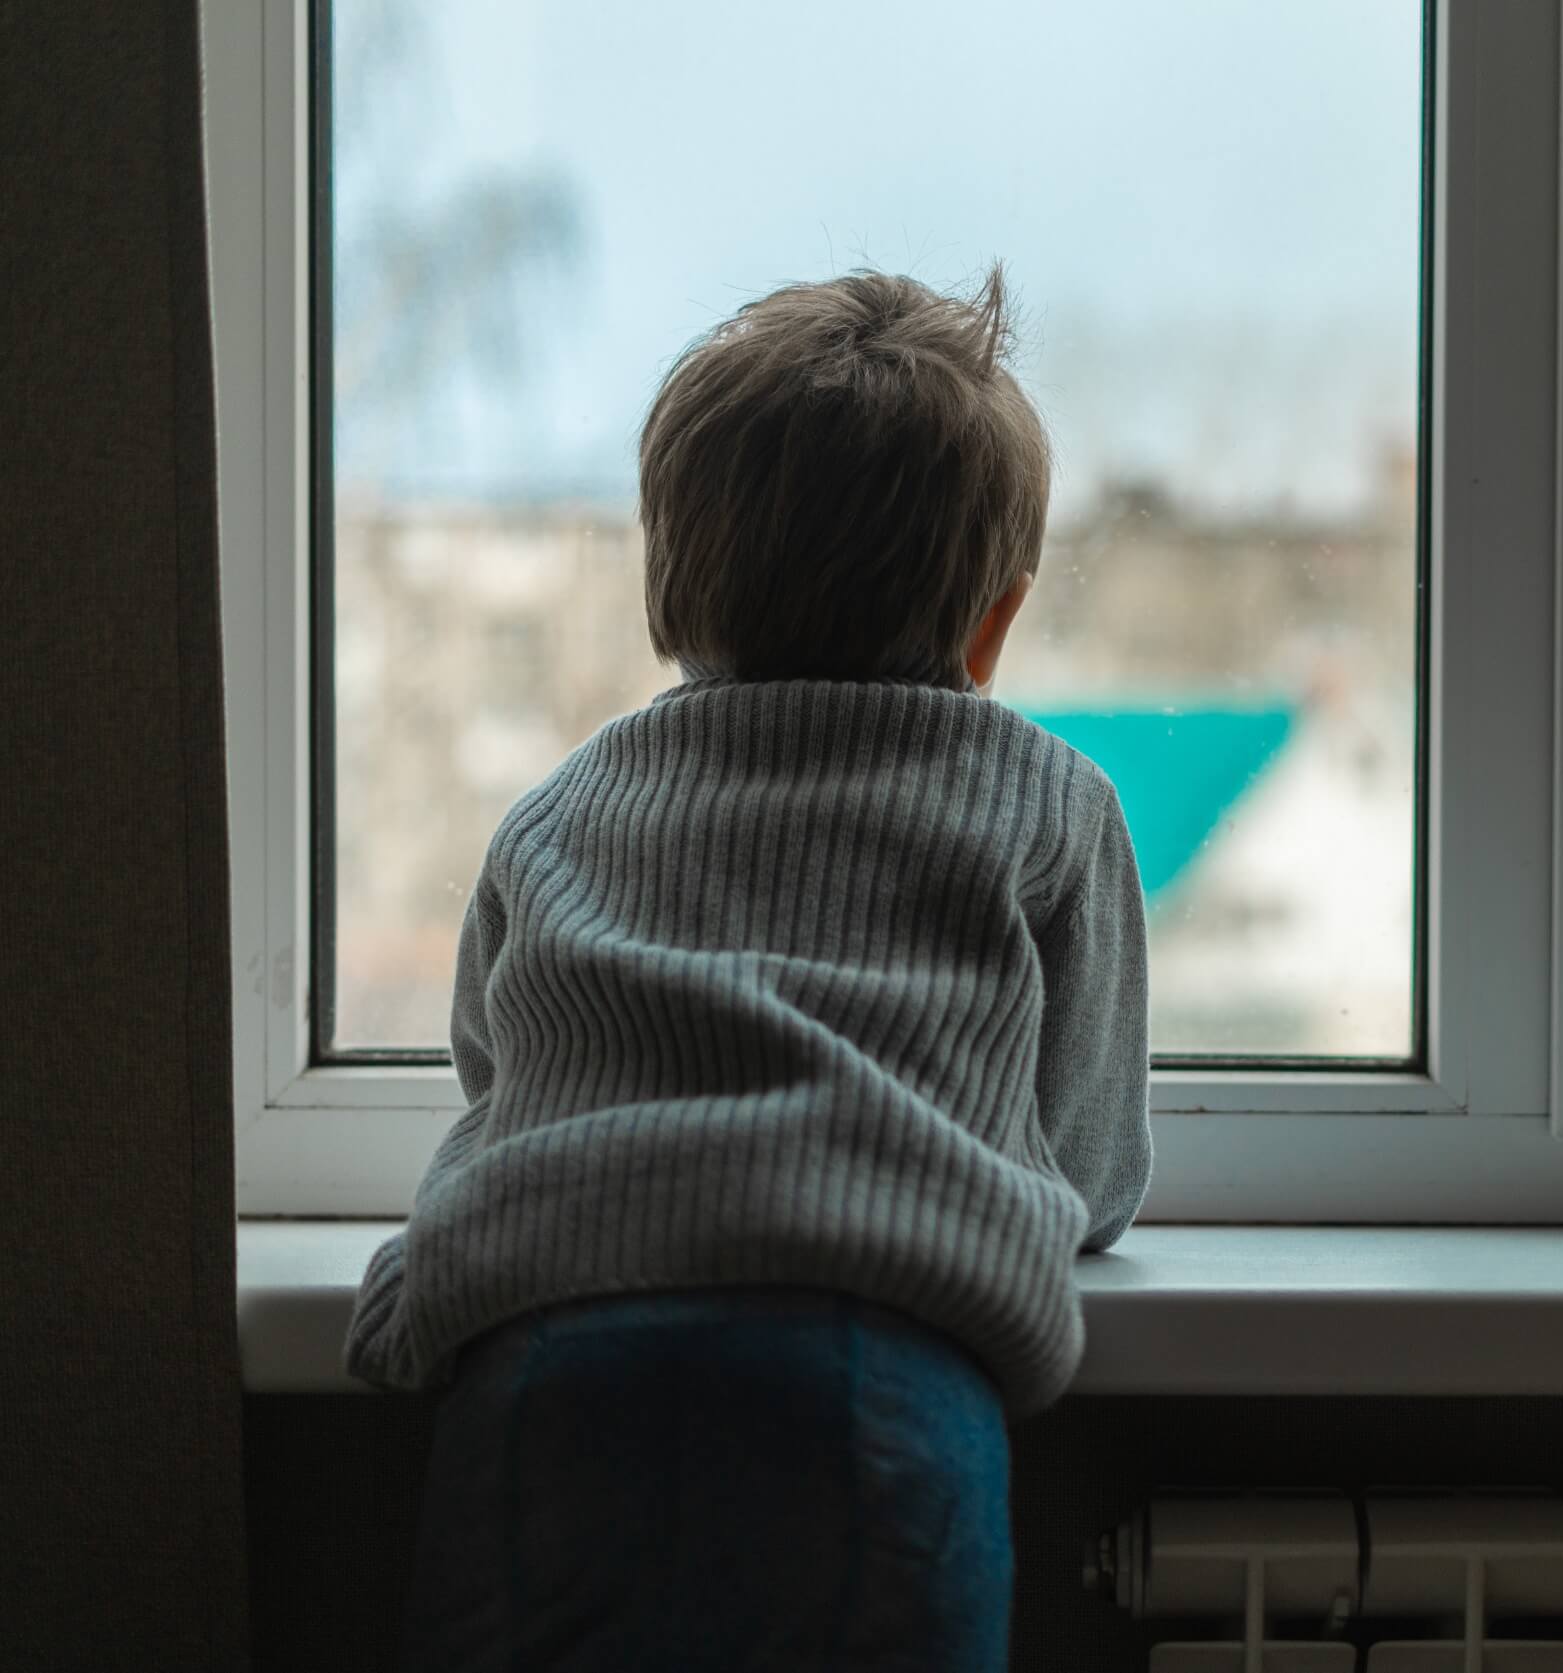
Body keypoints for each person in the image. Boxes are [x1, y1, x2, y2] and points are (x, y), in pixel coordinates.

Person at [346, 267, 1153, 1672]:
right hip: (875, 1394)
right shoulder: (1048, 802)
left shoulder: (558, 809)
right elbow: (1086, 1159)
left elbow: (496, 1078)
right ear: (996, 620)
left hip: (547, 1373)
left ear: (670, 584)